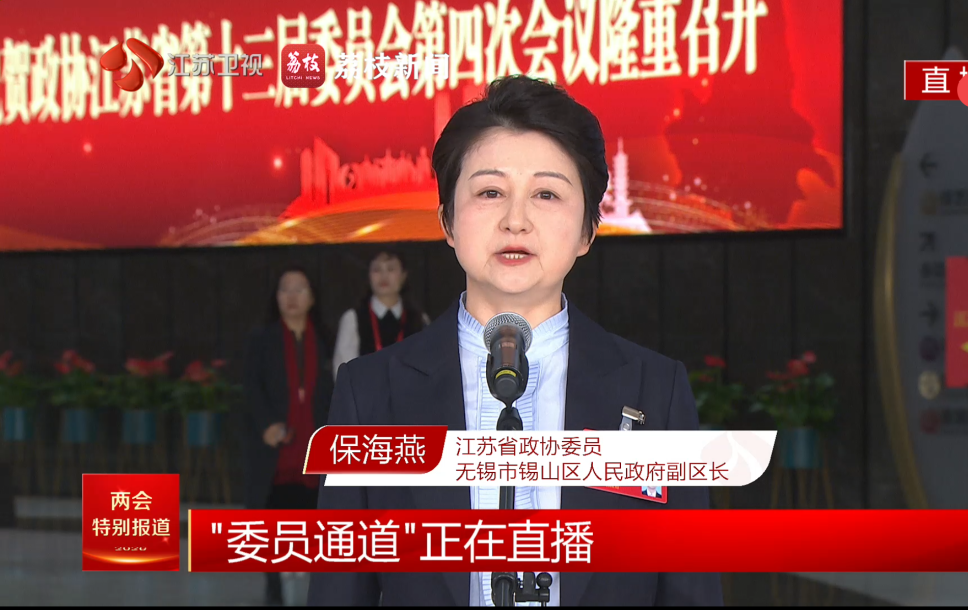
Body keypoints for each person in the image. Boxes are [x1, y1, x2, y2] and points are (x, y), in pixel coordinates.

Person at [309, 75, 723, 606]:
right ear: (447, 221)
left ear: (587, 230)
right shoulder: (370, 396)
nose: (516, 220)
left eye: (547, 194)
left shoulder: (654, 392)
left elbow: (689, 591)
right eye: (490, 192)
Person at [244, 266, 333, 606]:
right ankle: (274, 593)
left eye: (299, 289)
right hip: (276, 449)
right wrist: (266, 423)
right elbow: (251, 387)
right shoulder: (261, 339)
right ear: (276, 297)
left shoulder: (326, 338)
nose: (292, 296)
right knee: (272, 526)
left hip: (316, 448)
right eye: (285, 289)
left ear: (312, 297)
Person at [331, 248, 430, 379]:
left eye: (391, 269)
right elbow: (344, 372)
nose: (384, 276)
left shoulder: (419, 320)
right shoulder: (353, 319)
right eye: (377, 270)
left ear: (403, 275)